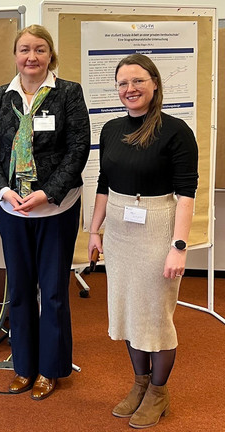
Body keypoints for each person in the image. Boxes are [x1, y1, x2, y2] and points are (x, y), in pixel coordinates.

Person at [88, 54, 198, 429]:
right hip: (119, 230)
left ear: (154, 84)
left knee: (153, 315)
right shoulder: (110, 129)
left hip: (157, 229)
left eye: (137, 81)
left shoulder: (176, 131)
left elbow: (186, 193)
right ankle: (139, 383)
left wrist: (178, 246)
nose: (129, 89)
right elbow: (103, 183)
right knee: (126, 312)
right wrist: (94, 231)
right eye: (122, 83)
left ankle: (158, 390)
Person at [0, 24, 90, 400]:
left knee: (54, 292)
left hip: (57, 208)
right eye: (25, 49)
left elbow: (78, 150)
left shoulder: (69, 94)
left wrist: (47, 193)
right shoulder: (0, 96)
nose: (31, 57)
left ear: (50, 55)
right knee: (22, 290)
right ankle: (24, 366)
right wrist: (3, 190)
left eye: (40, 50)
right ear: (15, 55)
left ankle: (51, 369)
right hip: (13, 209)